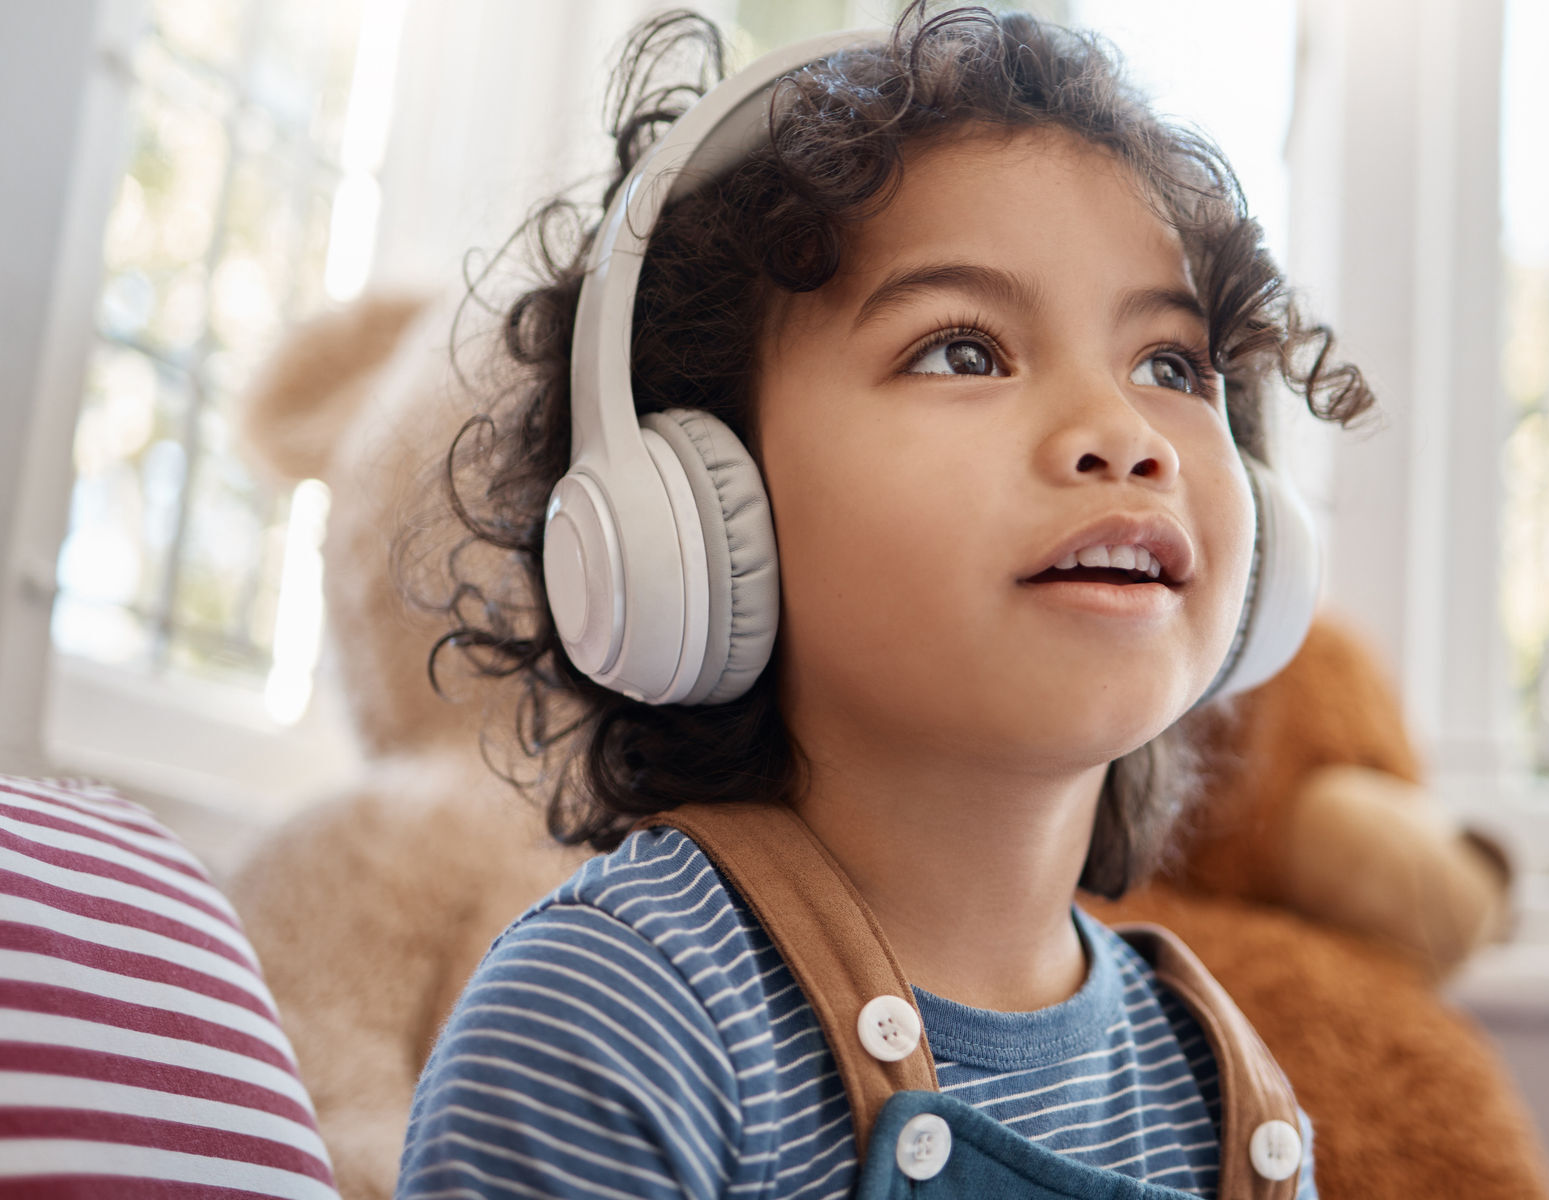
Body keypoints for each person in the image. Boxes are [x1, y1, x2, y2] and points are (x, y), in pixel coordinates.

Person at [396, 6, 1373, 1198]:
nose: (1122, 436)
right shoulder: (617, 1017)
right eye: (965, 351)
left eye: (1171, 366)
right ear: (699, 510)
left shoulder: (1224, 1093)